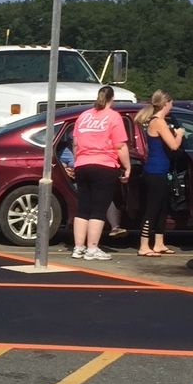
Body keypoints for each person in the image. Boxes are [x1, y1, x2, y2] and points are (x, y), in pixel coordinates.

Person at [70, 86, 131, 260]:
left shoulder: (83, 116)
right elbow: (120, 145)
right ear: (112, 99)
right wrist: (127, 167)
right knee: (98, 208)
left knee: (83, 208)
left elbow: (75, 143)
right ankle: (92, 248)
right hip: (104, 165)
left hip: (82, 164)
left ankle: (78, 247)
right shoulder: (113, 117)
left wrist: (77, 161)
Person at [135, 91, 184, 256]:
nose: (172, 106)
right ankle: (143, 245)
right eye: (171, 103)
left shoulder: (158, 121)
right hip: (155, 171)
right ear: (166, 104)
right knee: (152, 209)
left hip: (161, 170)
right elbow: (174, 146)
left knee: (163, 208)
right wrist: (180, 135)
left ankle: (159, 243)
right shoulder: (159, 122)